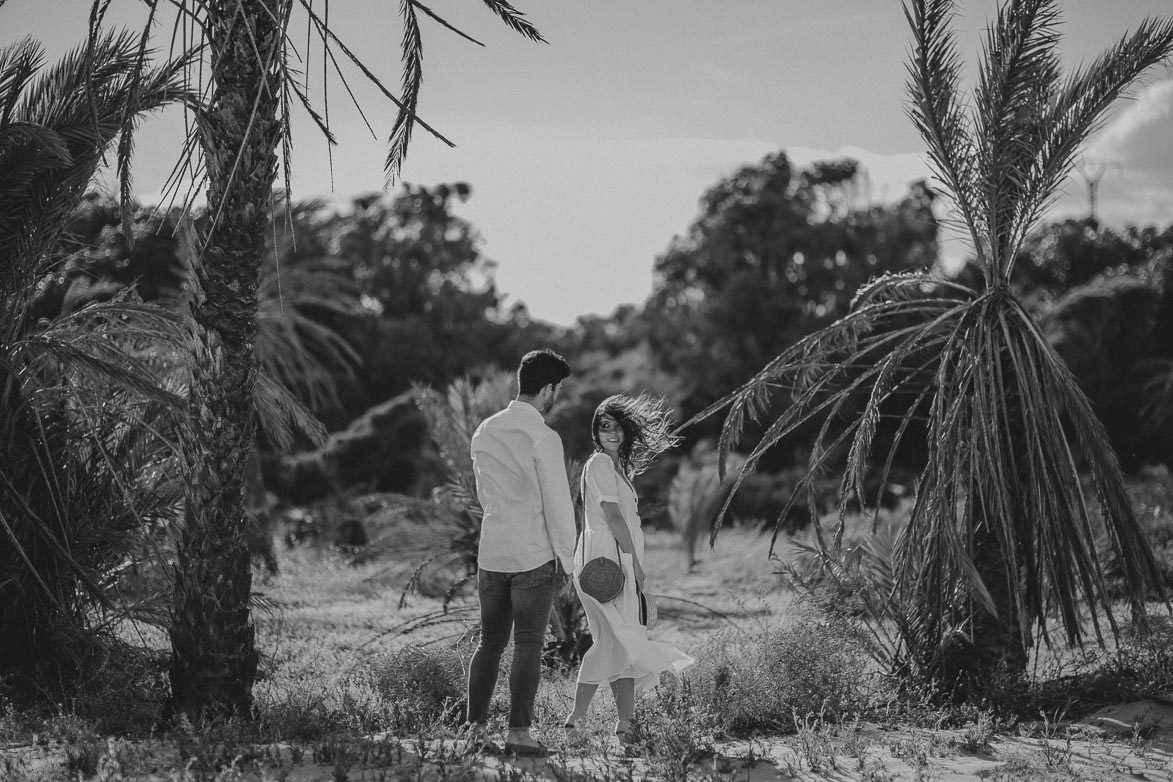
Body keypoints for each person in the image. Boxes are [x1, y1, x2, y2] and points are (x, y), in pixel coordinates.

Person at [565, 393, 695, 747]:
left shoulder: (615, 466)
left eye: (618, 427)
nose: (612, 433)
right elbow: (611, 515)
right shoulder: (600, 465)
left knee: (622, 641)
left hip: (615, 552)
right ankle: (576, 719)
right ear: (596, 430)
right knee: (612, 638)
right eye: (604, 426)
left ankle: (625, 725)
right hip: (609, 557)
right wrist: (633, 562)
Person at [465, 349, 576, 757]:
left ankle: (474, 733)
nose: (557, 395)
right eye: (558, 388)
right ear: (548, 388)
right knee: (528, 644)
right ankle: (518, 735)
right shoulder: (543, 436)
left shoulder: (484, 430)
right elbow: (558, 504)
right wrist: (570, 561)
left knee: (489, 643)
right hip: (531, 556)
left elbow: (483, 495)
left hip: (491, 554)